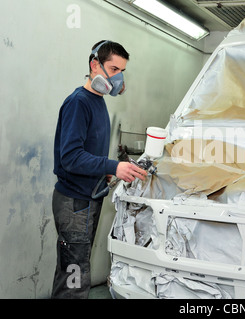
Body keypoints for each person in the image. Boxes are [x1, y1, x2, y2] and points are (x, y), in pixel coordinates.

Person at [51, 40, 147, 298]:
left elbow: (87, 154)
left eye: (122, 71)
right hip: (74, 204)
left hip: (86, 200)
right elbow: (70, 157)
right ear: (95, 65)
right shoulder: (79, 102)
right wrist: (113, 166)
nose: (118, 78)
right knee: (74, 277)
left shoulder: (98, 101)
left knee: (76, 269)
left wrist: (103, 171)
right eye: (114, 69)